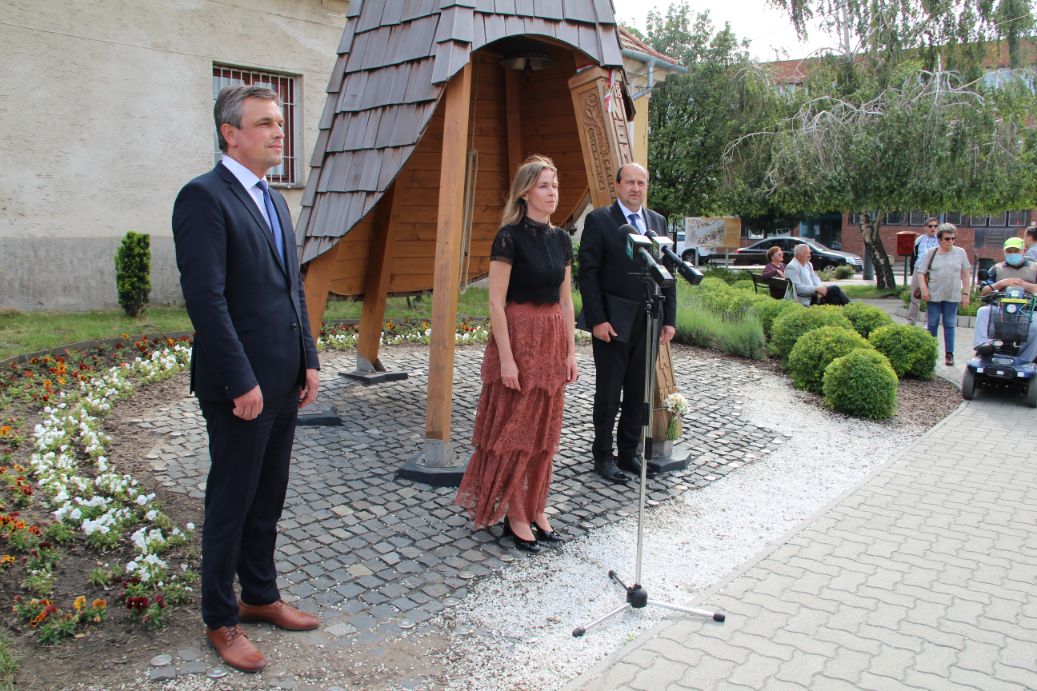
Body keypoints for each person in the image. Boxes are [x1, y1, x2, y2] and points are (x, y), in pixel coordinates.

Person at [172, 86, 321, 673]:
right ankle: (220, 617)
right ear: (230, 134)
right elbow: (206, 300)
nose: (279, 132)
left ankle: (259, 595)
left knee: (268, 497)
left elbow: (292, 287)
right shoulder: (203, 197)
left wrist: (309, 359)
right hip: (239, 388)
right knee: (231, 502)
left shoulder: (274, 199)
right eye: (265, 123)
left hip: (283, 380)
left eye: (280, 122)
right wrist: (240, 380)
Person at [454, 155, 578, 554]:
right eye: (544, 185)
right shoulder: (509, 237)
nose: (552, 192)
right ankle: (515, 514)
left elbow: (566, 300)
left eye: (555, 185)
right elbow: (495, 302)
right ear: (525, 193)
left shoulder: (562, 240)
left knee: (545, 433)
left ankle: (537, 507)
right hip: (519, 339)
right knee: (516, 431)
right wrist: (507, 359)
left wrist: (571, 351)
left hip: (552, 340)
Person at [578, 163, 677, 484]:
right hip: (613, 321)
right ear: (618, 185)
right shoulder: (600, 220)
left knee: (638, 390)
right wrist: (597, 319)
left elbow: (669, 273)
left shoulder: (658, 222)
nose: (636, 188)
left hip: (650, 320)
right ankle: (603, 456)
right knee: (609, 392)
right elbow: (588, 274)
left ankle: (628, 452)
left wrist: (670, 318)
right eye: (630, 182)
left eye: (641, 183)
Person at [973, 237, 1037, 362]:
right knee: (983, 311)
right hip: (1000, 308)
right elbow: (984, 290)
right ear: (1004, 252)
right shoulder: (996, 268)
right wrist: (1002, 283)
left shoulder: (1034, 268)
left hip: (1027, 310)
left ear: (1023, 251)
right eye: (1009, 251)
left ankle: (1025, 359)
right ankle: (983, 346)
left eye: (1016, 250)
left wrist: (1026, 286)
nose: (1013, 253)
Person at [917, 223, 970, 366]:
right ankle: (931, 353)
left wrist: (966, 294)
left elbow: (966, 274)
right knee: (932, 324)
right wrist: (924, 290)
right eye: (947, 239)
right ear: (939, 239)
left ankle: (949, 354)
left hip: (952, 295)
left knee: (950, 324)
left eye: (953, 238)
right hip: (934, 294)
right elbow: (921, 273)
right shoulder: (932, 253)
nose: (951, 241)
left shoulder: (960, 252)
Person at [785, 244, 850, 306]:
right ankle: (852, 307)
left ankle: (850, 309)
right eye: (807, 254)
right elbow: (797, 288)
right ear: (798, 255)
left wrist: (820, 288)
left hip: (814, 295)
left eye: (809, 253)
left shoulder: (808, 264)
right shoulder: (792, 267)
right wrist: (816, 289)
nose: (809, 256)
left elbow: (815, 278)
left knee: (835, 299)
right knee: (835, 289)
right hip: (806, 299)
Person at [907, 218, 941, 325]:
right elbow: (914, 255)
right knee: (915, 296)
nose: (933, 228)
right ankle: (911, 322)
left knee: (931, 297)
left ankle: (927, 323)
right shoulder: (920, 239)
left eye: (935, 226)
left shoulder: (941, 240)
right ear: (925, 227)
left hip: (933, 270)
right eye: (930, 226)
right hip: (918, 268)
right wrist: (912, 269)